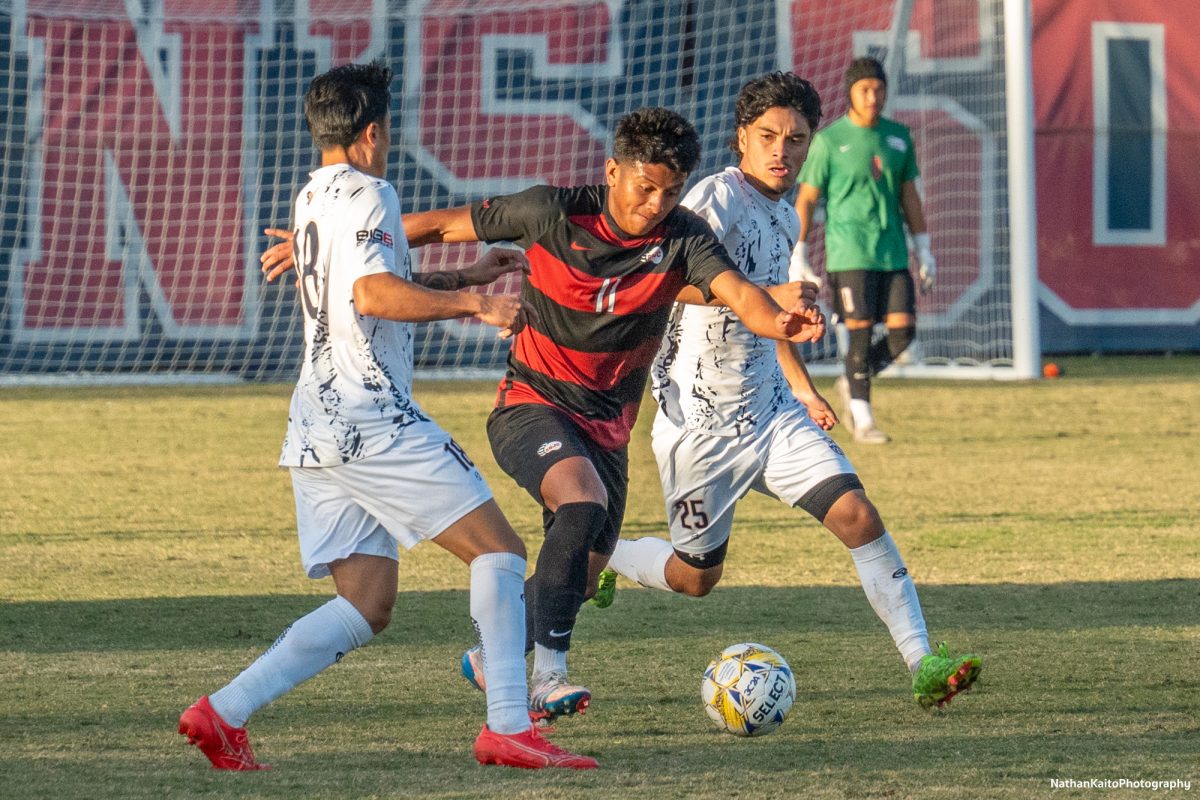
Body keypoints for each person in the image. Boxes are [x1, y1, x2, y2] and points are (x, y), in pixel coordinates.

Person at [179, 60, 597, 772]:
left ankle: (221, 713)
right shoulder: (373, 192)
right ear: (373, 132)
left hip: (314, 423)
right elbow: (372, 295)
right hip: (371, 417)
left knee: (367, 603)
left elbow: (367, 288)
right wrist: (477, 304)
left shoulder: (314, 196)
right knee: (499, 552)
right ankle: (507, 725)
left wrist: (463, 276)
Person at [352, 107, 825, 725]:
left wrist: (778, 320)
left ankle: (491, 654)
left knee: (582, 562)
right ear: (612, 171)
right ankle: (548, 677)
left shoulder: (683, 238)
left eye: (671, 191)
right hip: (531, 405)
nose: (655, 203)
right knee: (581, 504)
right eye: (644, 186)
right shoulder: (552, 211)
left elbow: (739, 295)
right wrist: (350, 247)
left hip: (609, 430)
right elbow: (439, 227)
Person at [597, 72, 980, 710]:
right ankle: (611, 554)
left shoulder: (785, 212)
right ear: (741, 138)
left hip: (772, 414)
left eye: (796, 139)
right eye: (768, 136)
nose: (782, 150)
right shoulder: (713, 200)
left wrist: (800, 385)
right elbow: (662, 283)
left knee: (859, 515)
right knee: (695, 579)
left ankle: (924, 663)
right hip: (700, 426)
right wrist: (767, 296)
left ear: (809, 147)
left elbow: (768, 322)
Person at [791, 56, 937, 444]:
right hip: (849, 254)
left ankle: (852, 380)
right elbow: (806, 200)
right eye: (865, 89)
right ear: (851, 93)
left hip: (892, 252)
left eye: (879, 89)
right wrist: (799, 252)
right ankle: (864, 418)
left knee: (903, 335)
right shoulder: (829, 141)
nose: (873, 96)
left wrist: (924, 248)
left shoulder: (898, 137)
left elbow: (910, 197)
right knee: (858, 336)